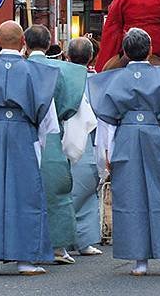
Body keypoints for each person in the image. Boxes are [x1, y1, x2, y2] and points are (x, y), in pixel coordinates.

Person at [90, 28, 160, 276]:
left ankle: (140, 261)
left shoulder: (113, 80)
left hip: (124, 137)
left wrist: (106, 152)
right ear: (150, 50)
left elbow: (107, 122)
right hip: (156, 136)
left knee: (130, 197)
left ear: (124, 51)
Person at [0, 21, 61, 276]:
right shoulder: (35, 72)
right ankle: (26, 260)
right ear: (23, 43)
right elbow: (48, 119)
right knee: (27, 195)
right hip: (24, 132)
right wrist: (38, 139)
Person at [24, 25, 97, 265]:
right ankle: (59, 248)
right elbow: (79, 113)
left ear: (25, 43)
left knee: (20, 192)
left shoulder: (16, 68)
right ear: (48, 45)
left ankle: (22, 245)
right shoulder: (64, 72)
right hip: (54, 134)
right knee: (57, 192)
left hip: (20, 135)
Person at [67, 37, 102, 256]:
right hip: (89, 140)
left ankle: (63, 238)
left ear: (67, 56)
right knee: (87, 190)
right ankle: (84, 240)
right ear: (92, 57)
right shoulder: (97, 83)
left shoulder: (60, 77)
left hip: (62, 138)